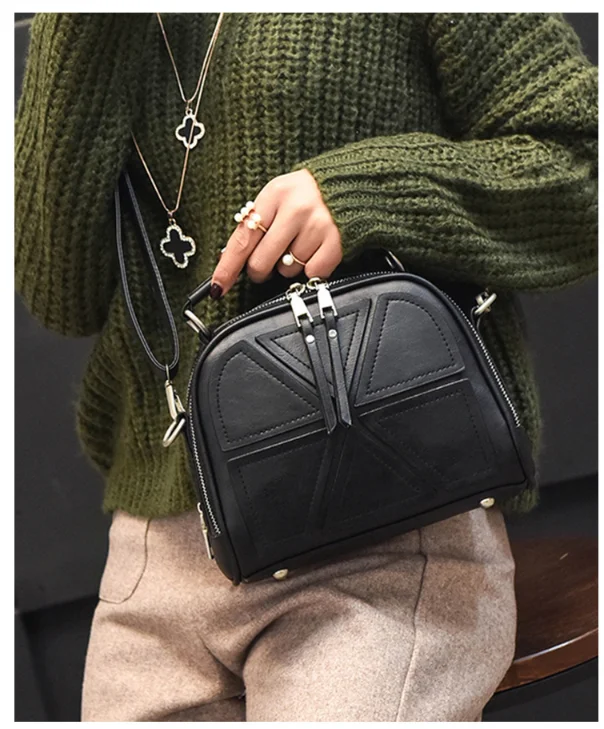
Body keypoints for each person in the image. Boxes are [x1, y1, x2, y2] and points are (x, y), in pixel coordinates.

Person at [15, 12, 597, 722]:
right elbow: (59, 293)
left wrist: (364, 195)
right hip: (152, 564)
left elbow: (581, 167)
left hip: (377, 537)